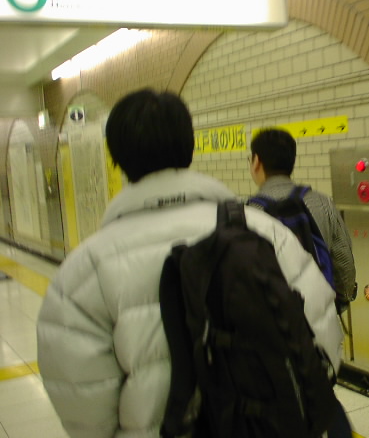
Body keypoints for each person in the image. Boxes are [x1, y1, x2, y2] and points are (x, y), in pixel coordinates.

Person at [36, 89, 342, 438]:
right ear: (189, 148)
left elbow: (81, 400)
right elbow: (323, 337)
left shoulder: (84, 270)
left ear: (115, 158)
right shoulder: (265, 232)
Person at [247, 127, 357, 308]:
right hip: (320, 313)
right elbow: (344, 264)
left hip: (273, 318)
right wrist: (339, 302)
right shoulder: (322, 203)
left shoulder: (248, 213)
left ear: (256, 161)